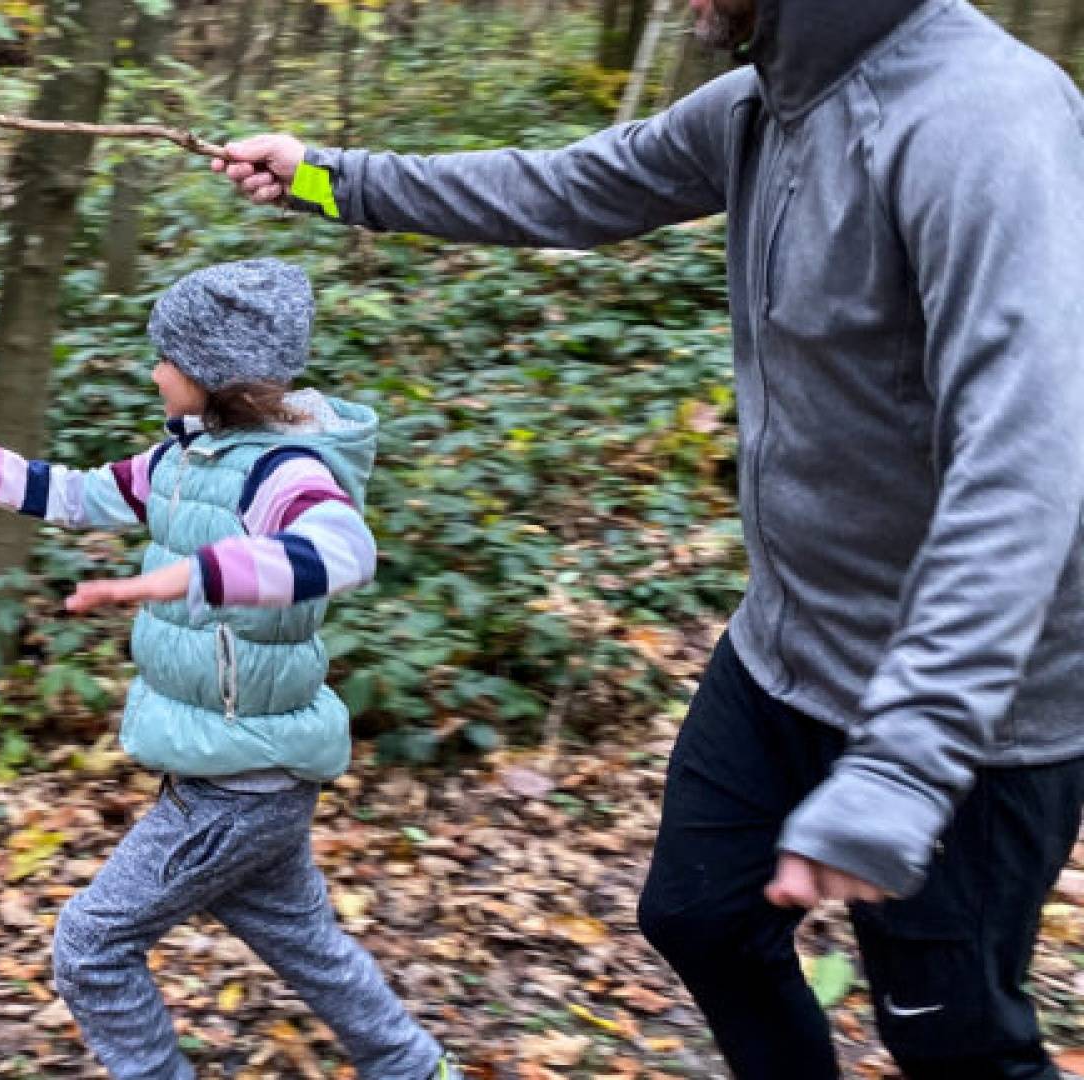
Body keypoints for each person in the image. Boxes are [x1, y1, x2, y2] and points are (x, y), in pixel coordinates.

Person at [214, 2, 1084, 1077]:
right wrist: (324, 177)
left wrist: (908, 759)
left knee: (954, 1044)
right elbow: (566, 186)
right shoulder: (768, 104)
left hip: (970, 714)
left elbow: (1026, 463)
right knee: (698, 918)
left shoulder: (985, 120)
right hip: (790, 651)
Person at [0, 259, 462, 1080]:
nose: (153, 372)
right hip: (243, 769)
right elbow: (76, 494)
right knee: (307, 946)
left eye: (165, 358)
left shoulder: (284, 470)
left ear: (212, 374)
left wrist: (200, 575)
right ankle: (417, 1069)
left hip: (240, 784)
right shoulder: (187, 459)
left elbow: (344, 551)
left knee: (91, 947)